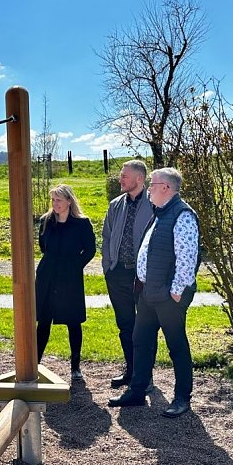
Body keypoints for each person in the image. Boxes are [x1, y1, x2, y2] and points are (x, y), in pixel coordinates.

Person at [108, 167, 200, 418]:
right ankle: (137, 391)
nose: (149, 188)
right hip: (149, 293)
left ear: (166, 188)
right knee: (141, 340)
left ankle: (182, 398)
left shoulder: (182, 215)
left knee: (176, 345)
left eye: (153, 184)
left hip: (169, 296)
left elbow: (187, 258)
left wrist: (177, 292)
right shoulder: (160, 213)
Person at [35, 184, 97, 382]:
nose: (55, 204)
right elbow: (43, 246)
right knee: (43, 321)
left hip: (70, 277)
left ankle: (75, 367)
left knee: (73, 321)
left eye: (59, 200)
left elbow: (90, 250)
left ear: (69, 201)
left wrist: (75, 265)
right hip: (47, 275)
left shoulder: (82, 223)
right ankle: (34, 363)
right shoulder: (46, 221)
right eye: (53, 200)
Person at [102, 159, 154, 389]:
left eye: (125, 176)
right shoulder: (115, 205)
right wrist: (108, 268)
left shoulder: (154, 204)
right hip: (117, 275)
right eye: (121, 175)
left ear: (139, 179)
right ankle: (130, 370)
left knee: (146, 326)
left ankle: (146, 376)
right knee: (125, 325)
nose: (120, 179)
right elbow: (105, 238)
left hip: (143, 276)